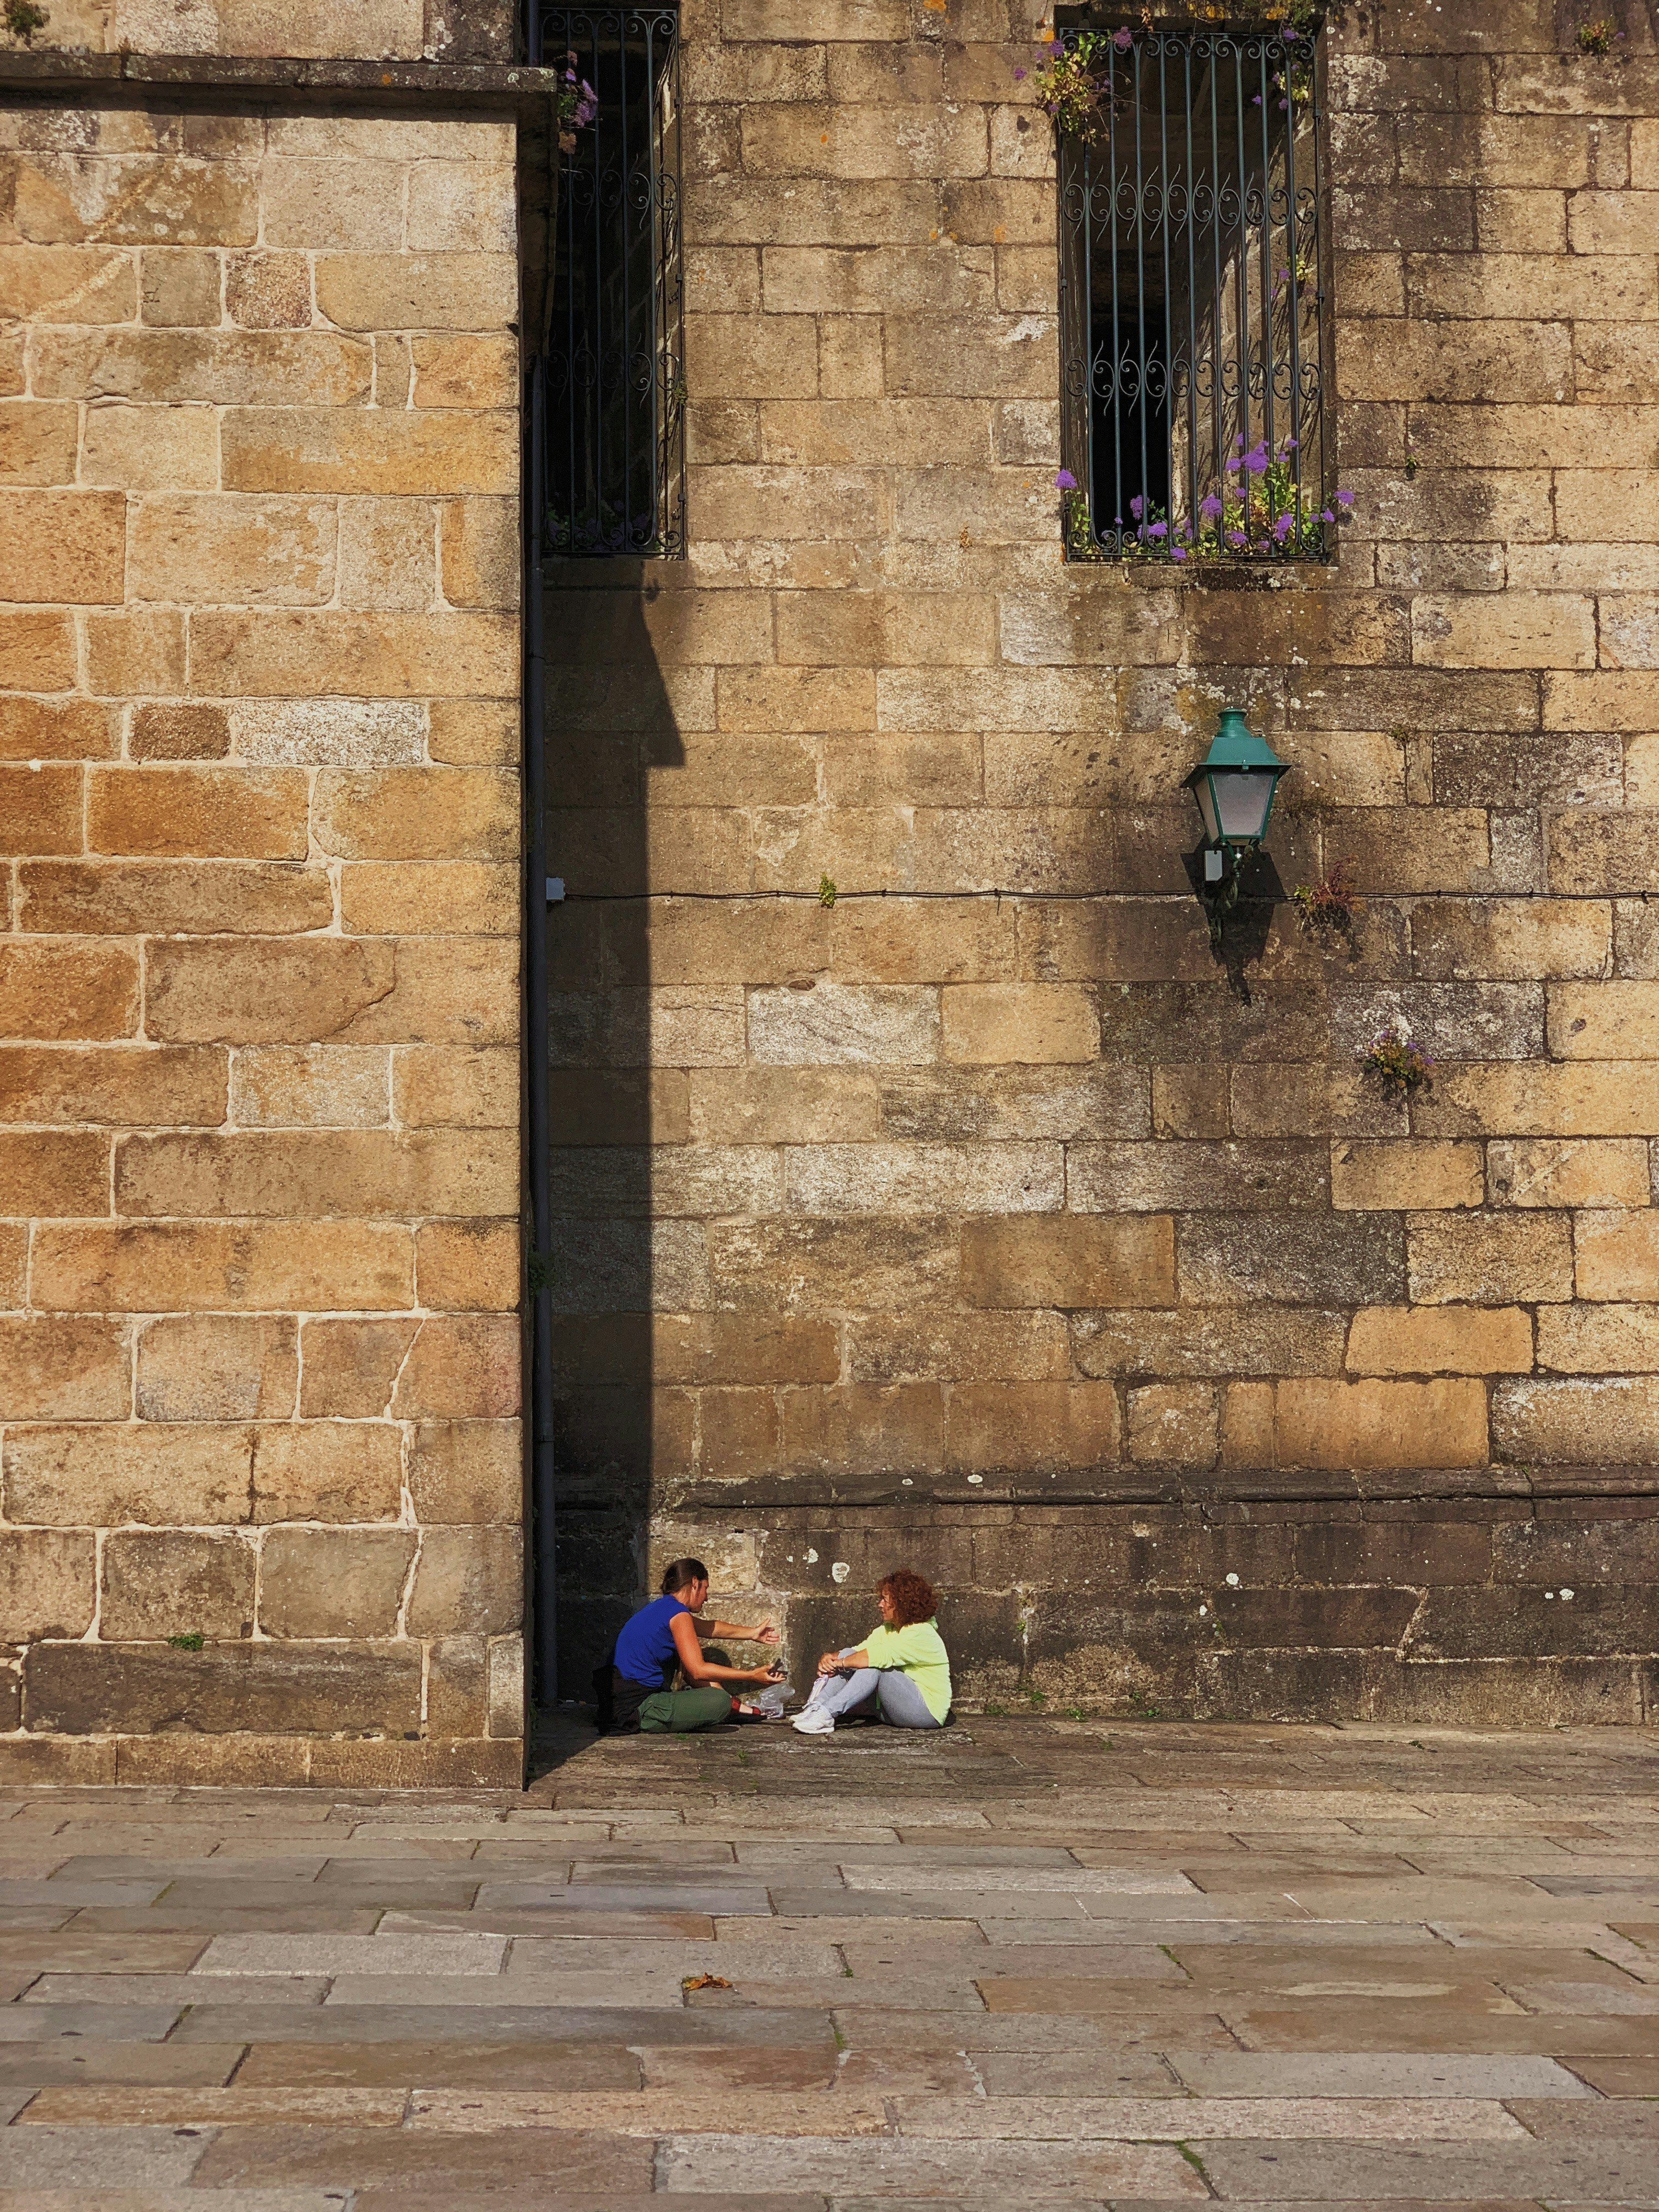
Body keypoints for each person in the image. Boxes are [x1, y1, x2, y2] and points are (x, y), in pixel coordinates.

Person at [607, 1558, 784, 1734]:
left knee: (681, 1656)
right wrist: (751, 1675)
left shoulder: (664, 1607)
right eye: (706, 1588)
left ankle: (734, 1707)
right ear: (695, 1583)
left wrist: (753, 1633)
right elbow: (699, 1671)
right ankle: (729, 1705)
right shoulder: (678, 1614)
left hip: (618, 1704)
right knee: (719, 1702)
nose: (706, 1598)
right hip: (635, 1710)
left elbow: (710, 1628)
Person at [791, 1568, 951, 1736]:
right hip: (891, 1710)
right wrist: (830, 1658)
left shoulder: (921, 1633)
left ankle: (828, 1713)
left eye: (885, 1600)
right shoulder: (889, 1629)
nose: (880, 1604)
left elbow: (874, 1658)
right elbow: (857, 1652)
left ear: (902, 1603)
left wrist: (840, 1663)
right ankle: (815, 1707)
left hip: (926, 1714)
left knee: (874, 1665)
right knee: (848, 1653)